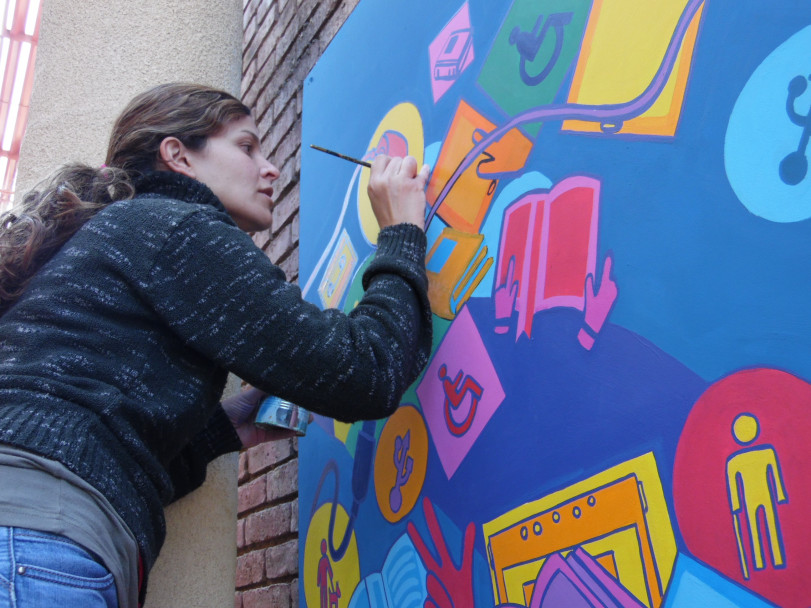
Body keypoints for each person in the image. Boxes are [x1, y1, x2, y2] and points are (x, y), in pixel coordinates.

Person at [0, 83, 432, 608]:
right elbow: (365, 373)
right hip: (36, 544)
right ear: (178, 156)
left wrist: (221, 430)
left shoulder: (127, 234)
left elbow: (105, 449)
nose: (271, 168)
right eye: (247, 147)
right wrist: (403, 231)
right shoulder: (175, 226)